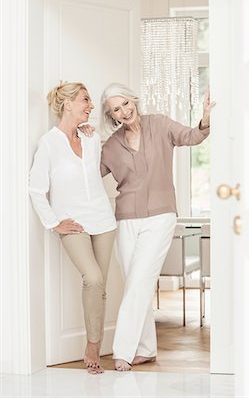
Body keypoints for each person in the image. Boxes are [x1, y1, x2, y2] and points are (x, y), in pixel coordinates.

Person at [82, 82, 215, 372]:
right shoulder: (111, 146)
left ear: (134, 101)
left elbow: (193, 136)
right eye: (116, 110)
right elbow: (87, 176)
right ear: (112, 116)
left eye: (125, 104)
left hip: (161, 216)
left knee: (140, 280)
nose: (124, 111)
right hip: (126, 218)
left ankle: (123, 351)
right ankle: (145, 349)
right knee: (134, 283)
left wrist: (206, 118)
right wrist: (84, 140)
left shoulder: (160, 124)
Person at [29, 82, 117, 375]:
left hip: (103, 219)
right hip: (73, 223)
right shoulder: (48, 143)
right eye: (85, 100)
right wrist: (54, 223)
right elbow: (36, 189)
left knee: (101, 285)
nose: (90, 106)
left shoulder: (91, 138)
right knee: (92, 278)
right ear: (67, 104)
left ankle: (95, 344)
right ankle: (92, 347)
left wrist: (89, 129)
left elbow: (115, 134)